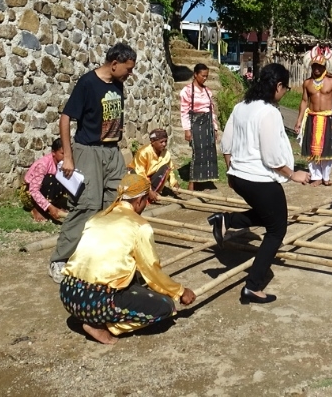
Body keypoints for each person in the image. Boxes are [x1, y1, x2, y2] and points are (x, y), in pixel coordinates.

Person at [211, 63, 310, 303]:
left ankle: (226, 220)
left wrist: (231, 170)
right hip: (258, 178)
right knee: (277, 229)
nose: (285, 92)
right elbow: (271, 156)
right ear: (277, 86)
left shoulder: (240, 107)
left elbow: (226, 143)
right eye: (285, 88)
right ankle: (252, 286)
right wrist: (293, 174)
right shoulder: (269, 112)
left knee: (269, 216)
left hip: (240, 176)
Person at [60, 173, 197, 345]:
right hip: (96, 302)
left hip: (68, 294)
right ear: (139, 201)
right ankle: (106, 326)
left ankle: (95, 317)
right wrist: (179, 292)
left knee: (134, 278)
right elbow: (152, 270)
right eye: (146, 200)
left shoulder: (97, 217)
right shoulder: (140, 226)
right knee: (165, 306)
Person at [48, 42, 137, 283]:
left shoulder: (118, 84)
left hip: (112, 152)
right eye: (128, 69)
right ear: (114, 63)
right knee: (86, 205)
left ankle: (103, 255)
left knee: (116, 202)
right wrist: (68, 156)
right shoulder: (87, 83)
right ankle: (60, 259)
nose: (130, 74)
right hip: (88, 151)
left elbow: (113, 120)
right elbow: (66, 118)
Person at [294, 45, 332, 186]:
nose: (316, 69)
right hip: (312, 118)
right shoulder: (307, 83)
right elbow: (304, 101)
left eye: (319, 66)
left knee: (328, 148)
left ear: (324, 66)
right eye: (314, 66)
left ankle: (326, 176)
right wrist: (299, 120)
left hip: (328, 117)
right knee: (310, 148)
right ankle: (316, 176)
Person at [180, 63, 221, 191]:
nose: (205, 78)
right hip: (196, 124)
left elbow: (212, 110)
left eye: (206, 76)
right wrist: (187, 130)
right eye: (203, 76)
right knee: (197, 152)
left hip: (208, 123)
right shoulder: (187, 91)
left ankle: (205, 180)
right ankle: (192, 182)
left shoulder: (208, 91)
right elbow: (184, 111)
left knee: (209, 152)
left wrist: (214, 128)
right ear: (195, 74)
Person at [21, 138, 70, 222]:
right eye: (62, 153)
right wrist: (50, 207)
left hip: (45, 192)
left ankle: (54, 205)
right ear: (54, 153)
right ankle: (38, 208)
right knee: (50, 179)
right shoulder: (43, 165)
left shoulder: (63, 163)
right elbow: (34, 190)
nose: (65, 157)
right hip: (30, 193)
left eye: (67, 154)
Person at [129, 129, 175, 202]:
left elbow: (170, 171)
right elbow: (140, 174)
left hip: (150, 177)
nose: (164, 144)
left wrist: (174, 184)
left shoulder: (166, 153)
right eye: (161, 142)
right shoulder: (143, 153)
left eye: (165, 141)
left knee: (166, 168)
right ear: (153, 142)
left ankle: (151, 195)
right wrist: (149, 190)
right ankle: (145, 195)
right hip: (137, 177)